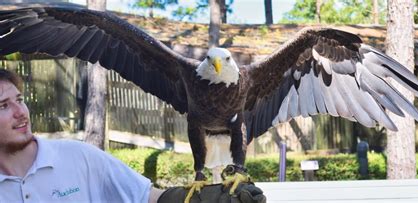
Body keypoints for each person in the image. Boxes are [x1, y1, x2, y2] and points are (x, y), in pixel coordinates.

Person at [0, 69, 265, 203]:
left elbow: (146, 197)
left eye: (20, 100)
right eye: (3, 106)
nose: (20, 112)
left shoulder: (79, 157)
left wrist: (204, 198)